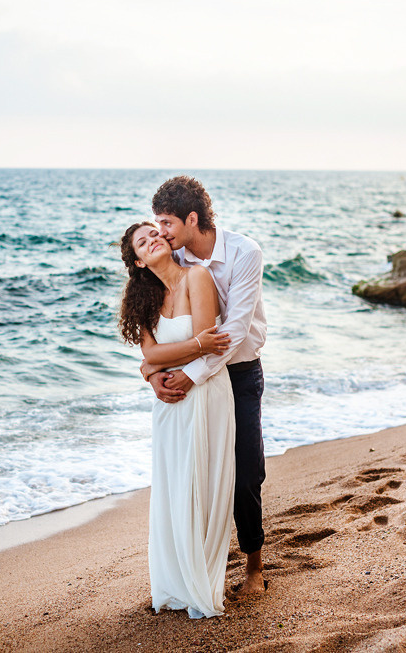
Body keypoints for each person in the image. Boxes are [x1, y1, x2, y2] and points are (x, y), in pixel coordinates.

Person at [144, 176, 268, 597]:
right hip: (193, 376)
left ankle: (254, 567)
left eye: (166, 222)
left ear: (191, 218)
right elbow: (155, 321)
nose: (161, 231)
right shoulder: (173, 257)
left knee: (247, 473)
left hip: (239, 373)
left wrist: (190, 373)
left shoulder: (244, 253)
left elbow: (231, 332)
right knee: (196, 473)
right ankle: (195, 569)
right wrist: (150, 373)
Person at [119, 221, 236, 618]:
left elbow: (208, 348)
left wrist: (167, 357)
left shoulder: (197, 277)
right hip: (168, 402)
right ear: (138, 260)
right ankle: (175, 585)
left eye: (155, 232)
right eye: (143, 241)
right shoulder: (144, 302)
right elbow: (151, 355)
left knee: (203, 485)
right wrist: (159, 367)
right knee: (173, 489)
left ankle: (202, 581)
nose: (153, 238)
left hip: (205, 394)